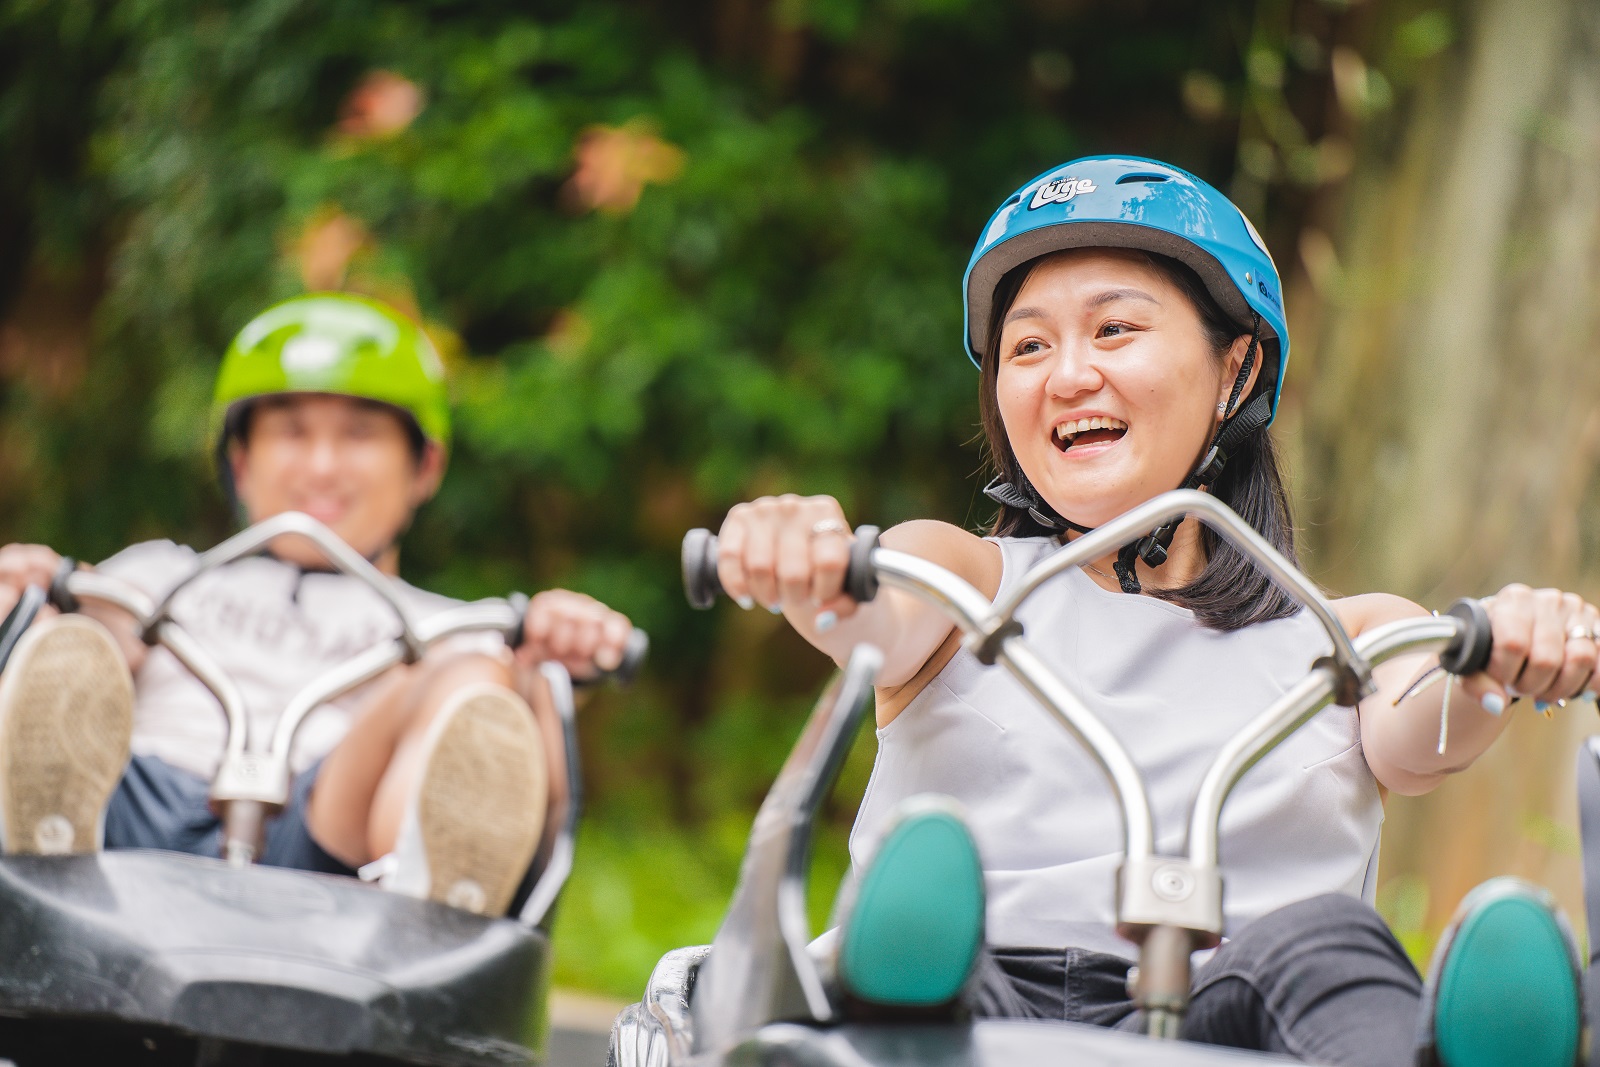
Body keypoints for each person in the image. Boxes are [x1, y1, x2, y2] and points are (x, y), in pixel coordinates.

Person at [706, 156, 1594, 1066]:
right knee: (937, 919)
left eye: (1114, 329)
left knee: (1327, 942)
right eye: (1028, 347)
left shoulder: (1348, 635)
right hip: (982, 1003)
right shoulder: (963, 580)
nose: (1067, 375)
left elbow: (1423, 730)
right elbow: (871, 612)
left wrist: (1497, 657)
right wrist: (809, 561)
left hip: (1234, 1016)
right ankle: (900, 995)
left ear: (1236, 368)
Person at [0, 292, 633, 918]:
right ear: (242, 461)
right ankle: (45, 840)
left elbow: (539, 752)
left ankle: (430, 906)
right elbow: (95, 639)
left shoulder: (460, 630)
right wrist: (33, 596)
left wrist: (552, 655)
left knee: (474, 681)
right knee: (56, 637)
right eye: (292, 432)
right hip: (126, 812)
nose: (322, 466)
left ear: (425, 466)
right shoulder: (162, 573)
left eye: (359, 434)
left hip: (329, 852)